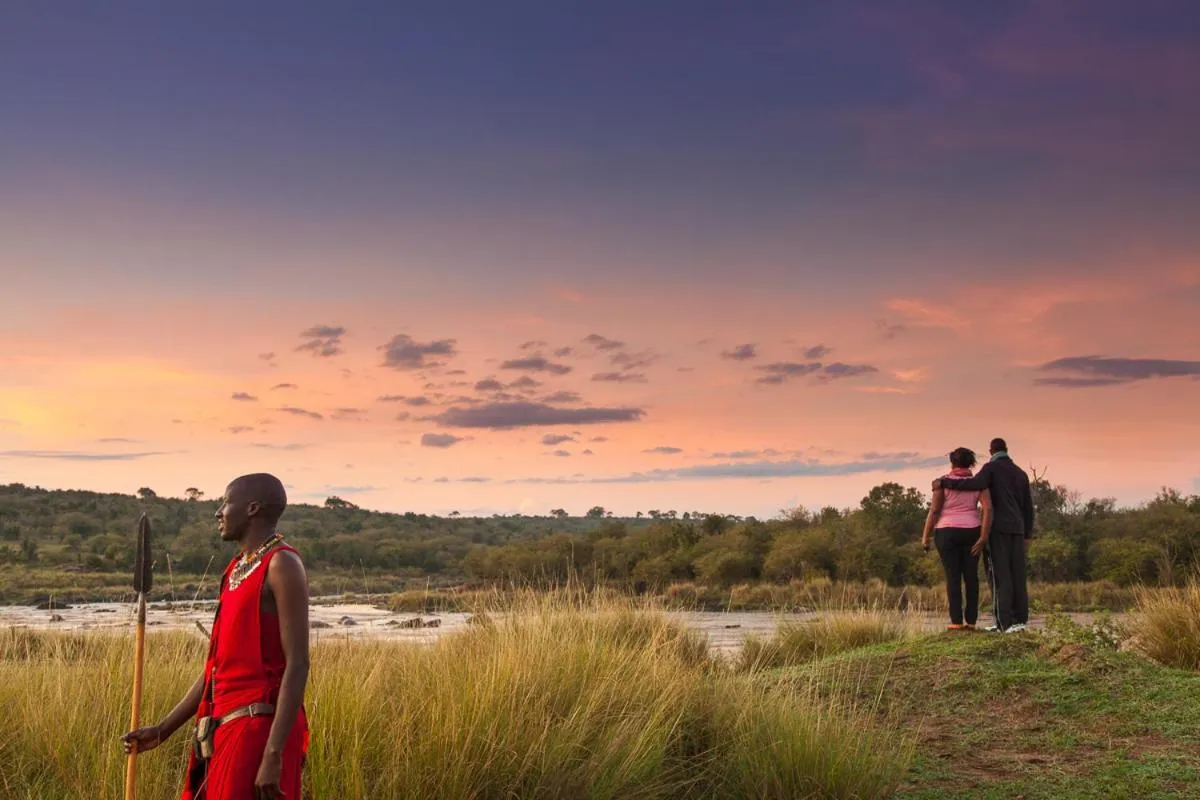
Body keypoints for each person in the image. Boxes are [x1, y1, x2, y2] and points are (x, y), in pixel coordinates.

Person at [122, 473, 310, 799]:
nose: (218, 512)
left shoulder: (282, 564)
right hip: (224, 729)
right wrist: (163, 729)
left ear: (252, 508)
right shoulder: (236, 569)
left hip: (259, 730)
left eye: (226, 502)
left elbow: (298, 664)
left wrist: (273, 753)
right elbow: (216, 669)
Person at [934, 438, 1034, 633]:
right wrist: (1027, 534)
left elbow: (975, 483)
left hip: (998, 529)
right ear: (1007, 450)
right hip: (1018, 529)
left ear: (991, 451)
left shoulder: (991, 469)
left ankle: (1004, 623)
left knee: (999, 574)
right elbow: (1028, 507)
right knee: (1018, 575)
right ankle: (1020, 621)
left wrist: (943, 482)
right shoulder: (1021, 473)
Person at [922, 447, 992, 631]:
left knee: (952, 576)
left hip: (946, 532)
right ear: (971, 463)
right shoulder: (979, 483)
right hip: (972, 531)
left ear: (952, 463)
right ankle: (971, 621)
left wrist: (925, 536)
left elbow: (935, 510)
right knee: (971, 577)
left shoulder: (942, 483)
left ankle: (956, 621)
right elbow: (988, 508)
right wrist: (984, 536)